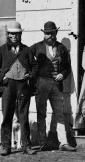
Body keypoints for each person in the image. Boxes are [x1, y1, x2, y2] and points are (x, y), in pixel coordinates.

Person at [0, 21, 37, 156]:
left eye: (16, 34)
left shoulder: (26, 50)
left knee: (23, 116)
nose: (14, 36)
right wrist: (1, 79)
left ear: (20, 34)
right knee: (7, 117)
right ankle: (6, 147)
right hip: (8, 86)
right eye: (11, 34)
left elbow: (35, 66)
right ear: (8, 35)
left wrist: (30, 76)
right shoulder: (2, 50)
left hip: (23, 86)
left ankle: (27, 146)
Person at [29, 21, 78, 152]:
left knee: (59, 113)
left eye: (52, 33)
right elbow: (25, 57)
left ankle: (63, 143)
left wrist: (62, 74)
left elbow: (67, 67)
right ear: (44, 34)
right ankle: (42, 142)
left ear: (56, 33)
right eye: (47, 34)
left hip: (57, 84)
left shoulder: (61, 48)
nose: (50, 36)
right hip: (42, 83)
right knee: (41, 114)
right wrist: (32, 73)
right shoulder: (36, 47)